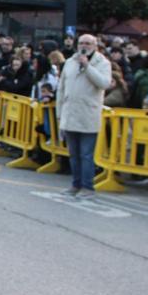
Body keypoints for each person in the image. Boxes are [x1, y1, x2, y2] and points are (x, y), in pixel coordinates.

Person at [56, 33, 112, 198]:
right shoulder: (70, 62)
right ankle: (76, 183)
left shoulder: (102, 63)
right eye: (81, 43)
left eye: (88, 43)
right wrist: (59, 113)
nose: (84, 46)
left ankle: (87, 187)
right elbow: (61, 88)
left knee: (86, 154)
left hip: (88, 114)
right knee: (73, 154)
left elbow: (104, 83)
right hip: (70, 113)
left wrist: (87, 67)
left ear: (95, 46)